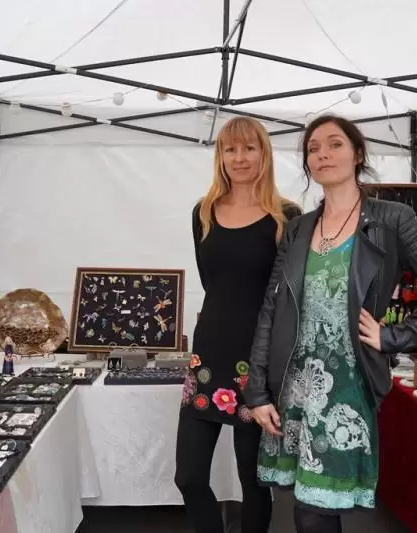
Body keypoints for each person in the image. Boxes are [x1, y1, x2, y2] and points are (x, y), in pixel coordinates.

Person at [244, 114, 417, 533]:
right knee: (304, 507)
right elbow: (271, 311)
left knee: (315, 511)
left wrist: (395, 336)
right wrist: (257, 391)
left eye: (335, 144)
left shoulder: (391, 219)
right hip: (293, 386)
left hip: (347, 389)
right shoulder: (297, 229)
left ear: (358, 154)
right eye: (313, 148)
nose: (323, 154)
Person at [175, 116, 302, 533]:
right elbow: (212, 282)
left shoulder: (287, 216)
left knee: (254, 480)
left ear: (264, 153)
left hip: (258, 361)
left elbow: (288, 295)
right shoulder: (203, 212)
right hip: (208, 355)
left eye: (249, 148)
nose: (240, 157)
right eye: (230, 149)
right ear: (220, 156)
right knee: (189, 476)